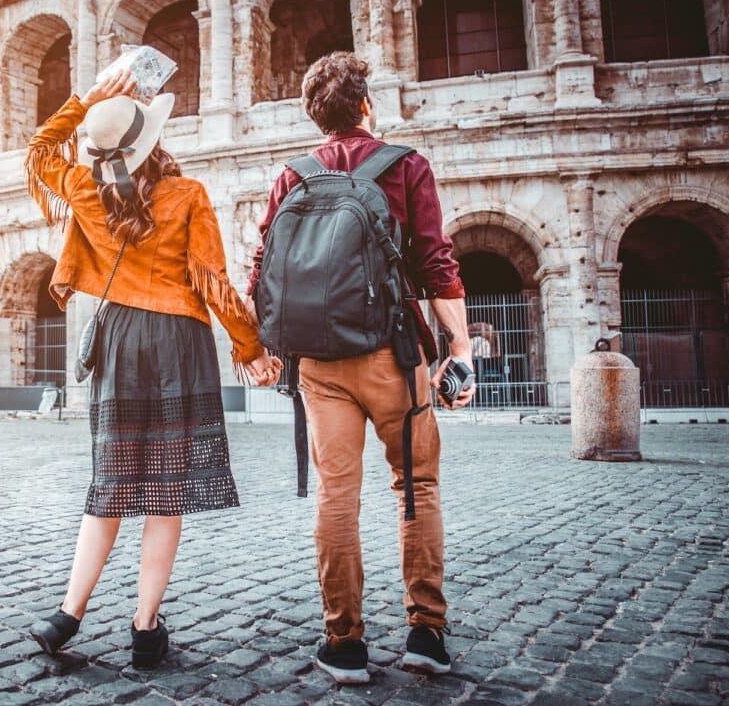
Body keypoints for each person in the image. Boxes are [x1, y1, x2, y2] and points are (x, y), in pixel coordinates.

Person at [25, 69, 282, 669]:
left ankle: (68, 615)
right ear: (154, 140)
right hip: (177, 342)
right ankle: (145, 628)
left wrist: (86, 102)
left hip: (121, 338)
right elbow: (215, 286)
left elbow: (38, 153)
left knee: (110, 485)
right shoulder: (187, 194)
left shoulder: (87, 191)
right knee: (165, 494)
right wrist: (252, 350)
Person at [246, 52, 473, 683]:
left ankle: (343, 642)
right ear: (367, 105)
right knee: (416, 488)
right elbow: (436, 263)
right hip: (394, 357)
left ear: (315, 117)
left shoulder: (291, 176)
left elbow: (261, 268)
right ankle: (426, 632)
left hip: (318, 363)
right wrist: (458, 352)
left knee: (336, 497)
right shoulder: (405, 165)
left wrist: (263, 350)